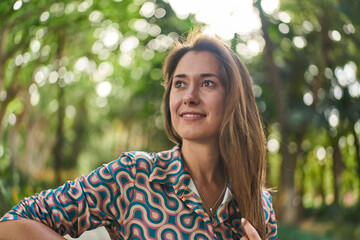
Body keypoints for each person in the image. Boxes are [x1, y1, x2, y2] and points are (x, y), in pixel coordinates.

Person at [0, 30, 277, 239]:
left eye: (207, 83)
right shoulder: (133, 175)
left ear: (233, 98)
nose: (189, 97)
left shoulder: (258, 203)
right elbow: (12, 225)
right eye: (180, 84)